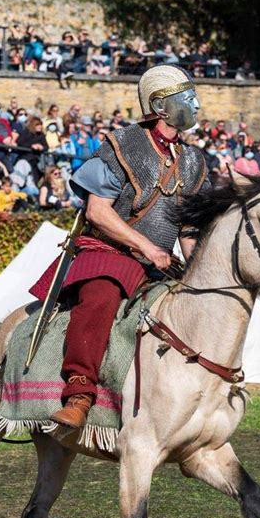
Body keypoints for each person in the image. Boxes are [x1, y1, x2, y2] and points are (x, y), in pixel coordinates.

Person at [29, 64, 209, 428]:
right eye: (186, 96)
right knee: (101, 293)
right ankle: (79, 393)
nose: (196, 104)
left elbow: (189, 230)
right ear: (160, 106)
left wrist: (195, 273)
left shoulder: (193, 161)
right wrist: (149, 248)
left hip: (158, 263)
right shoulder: (122, 145)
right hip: (108, 253)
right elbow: (97, 211)